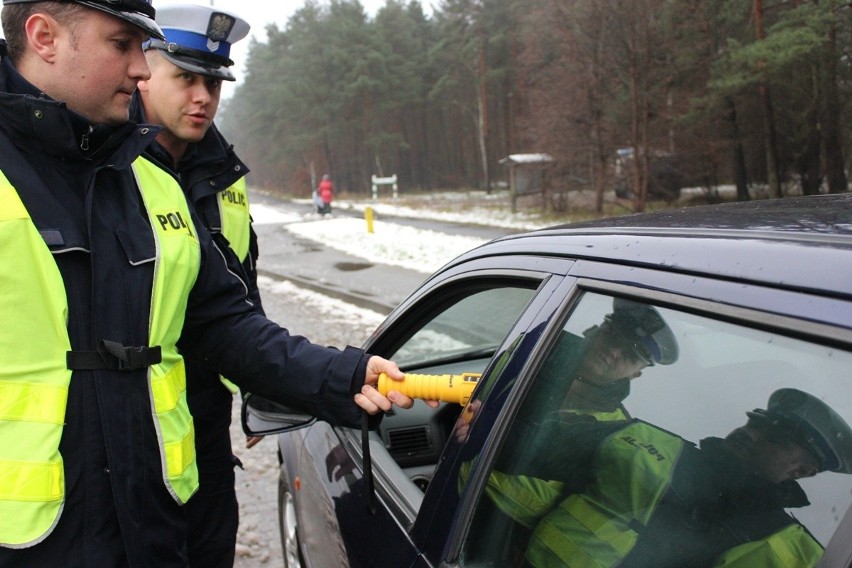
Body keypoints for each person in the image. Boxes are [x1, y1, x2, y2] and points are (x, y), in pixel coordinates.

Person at [0, 1, 424, 565]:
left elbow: (224, 323)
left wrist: (336, 375)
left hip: (156, 526)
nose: (142, 70)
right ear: (44, 36)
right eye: (122, 45)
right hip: (29, 541)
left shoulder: (149, 181)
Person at [133, 5, 256, 566]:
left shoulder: (225, 174)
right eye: (185, 78)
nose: (203, 96)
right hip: (131, 433)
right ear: (143, 70)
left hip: (205, 426)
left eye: (213, 81)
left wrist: (258, 387)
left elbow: (240, 295)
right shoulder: (107, 166)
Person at [496, 388, 852, 568]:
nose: (751, 434)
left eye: (774, 438)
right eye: (754, 423)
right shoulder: (641, 441)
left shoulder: (794, 552)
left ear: (803, 471)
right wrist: (471, 422)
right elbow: (519, 443)